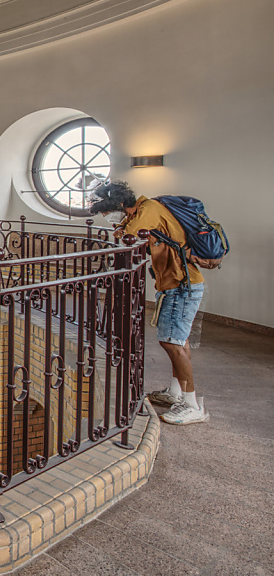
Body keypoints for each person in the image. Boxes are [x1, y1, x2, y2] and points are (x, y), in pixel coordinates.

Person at [88, 181, 209, 425]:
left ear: (121, 204)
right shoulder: (144, 210)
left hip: (181, 285)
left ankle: (192, 405)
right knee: (179, 340)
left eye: (106, 210)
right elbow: (124, 232)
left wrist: (123, 228)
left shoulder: (149, 209)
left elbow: (128, 237)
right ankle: (176, 392)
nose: (105, 215)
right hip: (175, 284)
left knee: (171, 342)